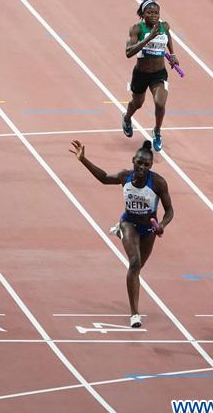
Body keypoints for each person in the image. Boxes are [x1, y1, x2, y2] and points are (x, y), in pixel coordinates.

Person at [70, 140, 174, 328]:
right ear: (133, 160)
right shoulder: (124, 176)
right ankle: (135, 314)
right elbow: (103, 178)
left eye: (146, 164)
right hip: (129, 223)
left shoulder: (158, 183)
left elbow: (170, 211)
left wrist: (162, 225)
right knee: (134, 263)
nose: (142, 167)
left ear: (151, 165)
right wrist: (83, 159)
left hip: (149, 229)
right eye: (139, 163)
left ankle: (122, 235)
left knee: (138, 267)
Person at [122, 0, 177, 152]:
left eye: (156, 13)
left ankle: (157, 131)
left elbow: (168, 37)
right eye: (149, 12)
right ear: (143, 14)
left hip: (159, 74)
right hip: (141, 74)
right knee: (137, 104)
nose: (153, 15)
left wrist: (173, 54)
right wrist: (149, 38)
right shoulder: (137, 29)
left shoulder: (164, 26)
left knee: (160, 103)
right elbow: (128, 52)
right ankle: (127, 118)